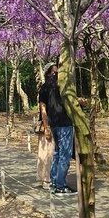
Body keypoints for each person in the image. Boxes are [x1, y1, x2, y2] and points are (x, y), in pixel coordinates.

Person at [38, 62, 75, 195]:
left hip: (54, 124)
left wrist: (47, 126)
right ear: (50, 72)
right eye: (56, 69)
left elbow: (43, 109)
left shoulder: (44, 87)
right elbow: (43, 109)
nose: (57, 70)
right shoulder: (61, 85)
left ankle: (54, 182)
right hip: (64, 123)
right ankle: (60, 185)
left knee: (58, 153)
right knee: (64, 154)